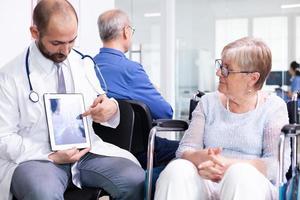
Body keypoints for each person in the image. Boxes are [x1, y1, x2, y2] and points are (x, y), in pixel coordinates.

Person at [0, 1, 144, 200]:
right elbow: (4, 138)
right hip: (37, 158)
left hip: (86, 154)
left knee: (134, 178)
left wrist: (110, 109)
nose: (66, 51)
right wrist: (49, 155)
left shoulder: (83, 63)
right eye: (57, 43)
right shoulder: (9, 76)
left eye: (71, 41)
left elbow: (102, 102)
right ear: (35, 33)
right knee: (43, 192)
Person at [154, 37, 291, 200]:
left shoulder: (274, 107)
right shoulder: (207, 103)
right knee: (176, 170)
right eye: (221, 66)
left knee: (239, 175)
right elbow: (185, 150)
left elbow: (275, 164)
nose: (219, 72)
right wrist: (203, 158)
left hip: (251, 184)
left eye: (227, 69)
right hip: (207, 179)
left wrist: (228, 165)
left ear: (252, 78)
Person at [94, 9, 178, 169]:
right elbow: (165, 113)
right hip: (137, 151)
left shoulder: (88, 66)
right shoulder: (130, 70)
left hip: (100, 151)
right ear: (126, 31)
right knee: (186, 150)